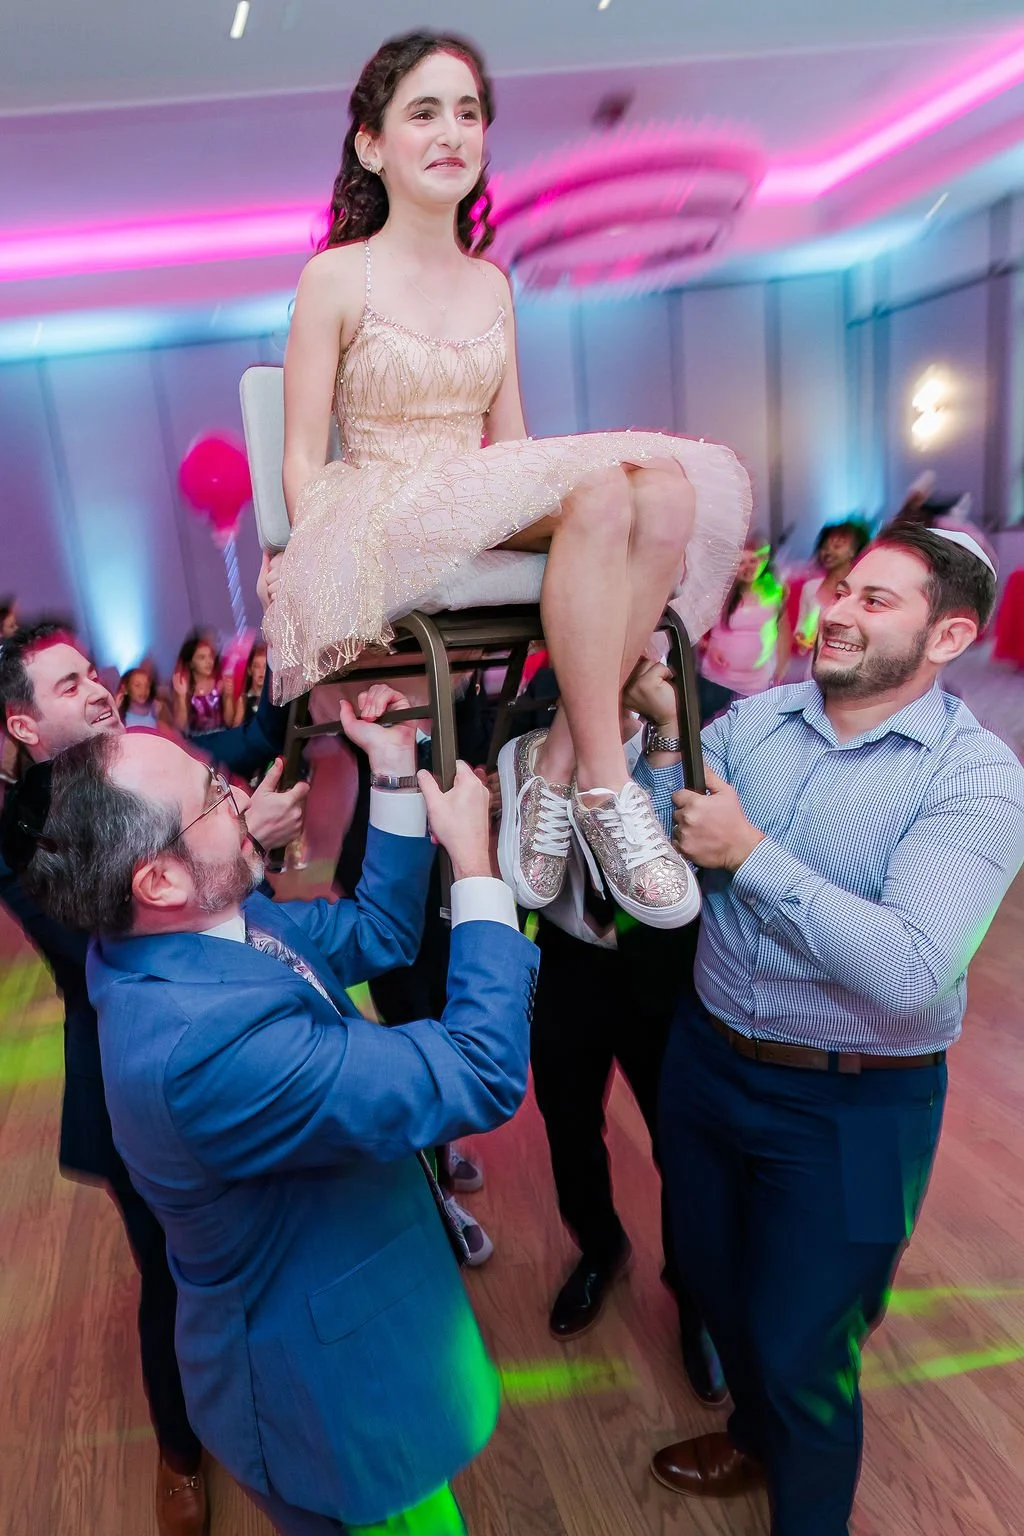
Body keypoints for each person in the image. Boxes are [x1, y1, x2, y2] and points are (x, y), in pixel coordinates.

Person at [262, 28, 750, 932]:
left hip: (478, 491)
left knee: (665, 490)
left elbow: (516, 445)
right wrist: (315, 553)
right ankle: (600, 782)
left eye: (468, 113)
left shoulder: (492, 283)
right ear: (372, 145)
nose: (452, 132)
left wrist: (548, 497)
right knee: (603, 488)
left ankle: (557, 767)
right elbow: (300, 454)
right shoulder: (333, 276)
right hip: (382, 508)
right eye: (423, 113)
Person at [21, 699, 537, 1536]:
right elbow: (480, 1070)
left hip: (359, 1290)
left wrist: (393, 768)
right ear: (158, 881)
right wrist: (477, 866)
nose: (243, 798)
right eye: (214, 796)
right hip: (328, 1393)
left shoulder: (195, 925)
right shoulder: (201, 1047)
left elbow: (380, 931)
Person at [626, 525, 1024, 1534]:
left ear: (948, 637)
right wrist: (666, 738)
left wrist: (750, 853)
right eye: (842, 590)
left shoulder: (974, 779)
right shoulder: (758, 721)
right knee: (711, 1282)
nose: (836, 612)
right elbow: (660, 846)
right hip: (708, 1062)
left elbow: (910, 971)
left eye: (875, 601)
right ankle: (754, 1436)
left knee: (806, 1348)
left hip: (858, 1103)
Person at [0, 622, 307, 1536]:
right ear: (22, 727)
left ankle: (289, 1403)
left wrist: (294, 647)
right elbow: (102, 937)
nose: (99, 688)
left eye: (91, 673)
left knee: (276, 1234)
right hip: (134, 1086)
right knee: (174, 1275)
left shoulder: (142, 751)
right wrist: (244, 840)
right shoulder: (23, 835)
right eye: (69, 686)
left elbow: (251, 742)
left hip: (242, 1035)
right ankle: (179, 1452)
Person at [529, 661, 722, 1403]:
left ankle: (696, 1293)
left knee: (682, 1138)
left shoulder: (709, 717)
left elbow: (694, 851)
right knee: (567, 1118)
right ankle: (600, 1245)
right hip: (569, 957)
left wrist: (667, 731)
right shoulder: (535, 717)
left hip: (664, 967)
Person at [700, 537, 790, 698]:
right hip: (718, 680)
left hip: (757, 683)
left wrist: (781, 670)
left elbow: (783, 634)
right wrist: (709, 648)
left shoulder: (774, 592)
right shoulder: (720, 594)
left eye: (752, 561)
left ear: (762, 561)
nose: (748, 567)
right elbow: (694, 628)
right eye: (741, 563)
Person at [791, 520, 871, 676]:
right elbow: (802, 629)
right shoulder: (810, 588)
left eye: (837, 546)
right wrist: (802, 638)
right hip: (814, 670)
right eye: (824, 547)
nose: (827, 552)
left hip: (851, 672)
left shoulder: (863, 591)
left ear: (854, 551)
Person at [171, 633, 231, 737]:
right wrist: (181, 697)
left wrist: (228, 696)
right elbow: (180, 727)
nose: (209, 661)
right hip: (196, 742)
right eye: (202, 657)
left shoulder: (220, 683)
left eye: (211, 656)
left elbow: (230, 722)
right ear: (191, 663)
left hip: (221, 739)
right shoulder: (184, 687)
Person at [119, 664, 174, 730]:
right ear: (125, 689)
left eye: (147, 686)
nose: (143, 690)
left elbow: (168, 732)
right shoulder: (120, 714)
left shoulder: (156, 709)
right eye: (138, 685)